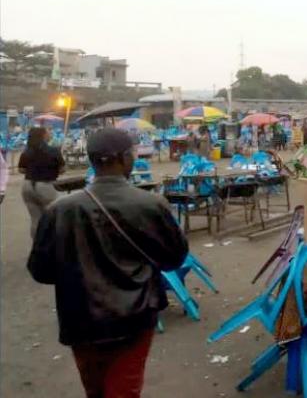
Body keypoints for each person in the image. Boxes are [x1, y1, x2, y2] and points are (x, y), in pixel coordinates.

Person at [28, 128, 188, 398]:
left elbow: (40, 270)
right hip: (135, 317)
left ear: (92, 160)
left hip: (80, 320)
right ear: (126, 158)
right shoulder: (151, 204)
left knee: (95, 390)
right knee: (124, 388)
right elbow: (174, 258)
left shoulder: (59, 210)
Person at [18, 126, 65, 238]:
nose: (50, 134)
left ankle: (37, 246)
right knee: (53, 218)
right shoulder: (54, 151)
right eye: (49, 132)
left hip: (28, 186)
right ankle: (52, 246)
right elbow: (63, 169)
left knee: (35, 219)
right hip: (46, 186)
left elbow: (21, 169)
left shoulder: (26, 152)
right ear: (43, 135)